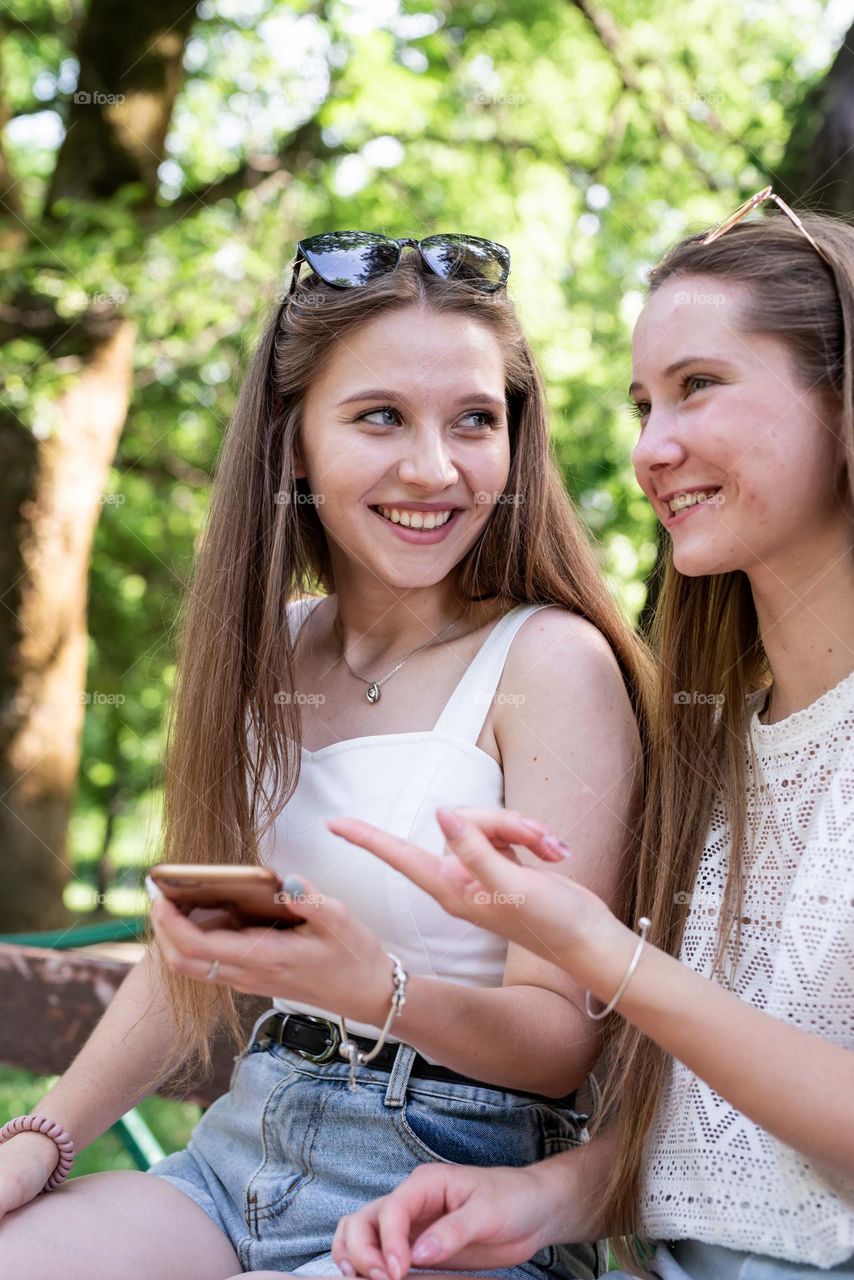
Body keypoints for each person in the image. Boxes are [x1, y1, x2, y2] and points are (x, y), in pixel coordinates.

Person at [0, 231, 651, 1280]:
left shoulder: (548, 662)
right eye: (380, 415)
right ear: (293, 440)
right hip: (239, 1152)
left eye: (474, 420)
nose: (435, 468)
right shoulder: (273, 650)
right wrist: (41, 1138)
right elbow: (186, 951)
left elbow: (558, 1040)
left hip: (454, 1187)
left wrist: (376, 986)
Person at [328, 195, 854, 1279]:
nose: (651, 448)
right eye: (640, 402)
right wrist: (527, 1198)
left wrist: (594, 950)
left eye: (697, 386)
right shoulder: (707, 745)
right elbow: (712, 1140)